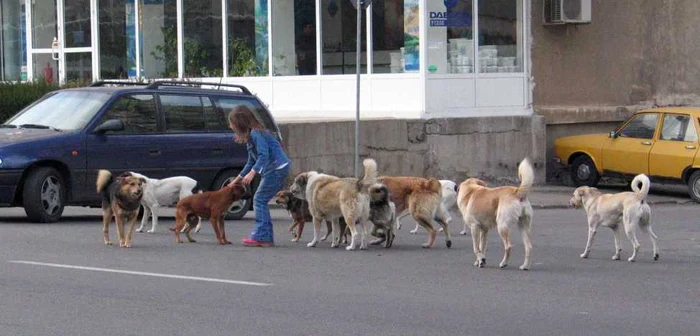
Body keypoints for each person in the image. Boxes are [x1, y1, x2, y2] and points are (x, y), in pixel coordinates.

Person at [229, 105, 291, 247]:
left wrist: (253, 172)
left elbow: (264, 155)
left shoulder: (257, 134)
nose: (230, 126)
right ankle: (265, 236)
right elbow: (251, 160)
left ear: (240, 124)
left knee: (259, 199)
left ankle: (262, 236)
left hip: (276, 167)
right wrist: (237, 180)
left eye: (232, 123)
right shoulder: (252, 136)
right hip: (274, 167)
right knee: (261, 199)